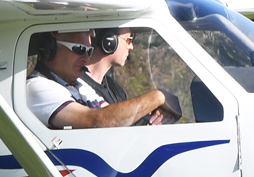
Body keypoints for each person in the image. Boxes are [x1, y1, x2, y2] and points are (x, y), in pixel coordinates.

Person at [26, 30, 175, 129]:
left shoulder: (79, 86)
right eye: (79, 49)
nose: (86, 58)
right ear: (50, 47)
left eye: (89, 51)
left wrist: (157, 115)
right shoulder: (37, 87)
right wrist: (158, 97)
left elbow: (116, 116)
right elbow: (96, 121)